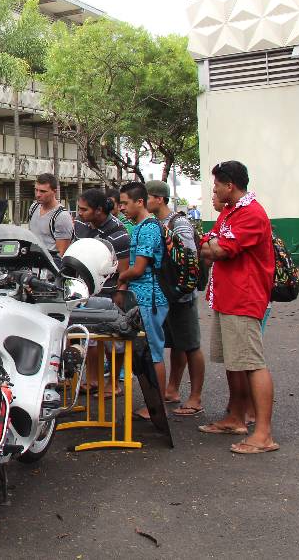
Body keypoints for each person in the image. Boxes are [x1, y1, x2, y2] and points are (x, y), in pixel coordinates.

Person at [197, 161, 277, 454]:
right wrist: (210, 243)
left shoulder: (251, 214)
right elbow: (209, 244)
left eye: (216, 184)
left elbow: (216, 249)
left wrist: (211, 244)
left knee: (252, 363)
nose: (214, 190)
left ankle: (264, 434)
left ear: (229, 185)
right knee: (234, 361)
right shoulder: (231, 212)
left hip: (244, 299)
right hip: (226, 297)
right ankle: (236, 417)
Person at [146, 180, 206, 417]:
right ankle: (172, 389)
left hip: (180, 295)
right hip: (166, 294)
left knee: (191, 345)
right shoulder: (155, 222)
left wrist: (181, 290)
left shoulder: (178, 223)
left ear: (159, 199)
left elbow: (188, 258)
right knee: (176, 344)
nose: (145, 201)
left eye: (148, 197)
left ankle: (196, 397)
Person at [116, 181, 168, 420]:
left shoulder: (148, 229)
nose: (122, 208)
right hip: (142, 297)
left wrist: (120, 276)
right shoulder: (138, 227)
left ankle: (159, 405)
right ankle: (154, 403)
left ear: (140, 202)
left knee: (154, 353)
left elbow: (138, 269)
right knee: (147, 354)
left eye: (125, 203)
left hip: (151, 298)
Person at [74, 188, 131, 397]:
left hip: (110, 292)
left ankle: (114, 383)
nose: (79, 213)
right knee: (89, 338)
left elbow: (123, 272)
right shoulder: (81, 225)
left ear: (99, 210)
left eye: (84, 209)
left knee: (112, 341)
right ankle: (93, 379)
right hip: (86, 291)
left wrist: (120, 295)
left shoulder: (119, 233)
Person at [28, 173, 74, 258]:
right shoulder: (33, 207)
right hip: (33, 264)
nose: (38, 194)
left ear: (54, 192)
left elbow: (61, 254)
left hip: (51, 267)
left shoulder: (61, 216)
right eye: (36, 190)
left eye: (43, 191)